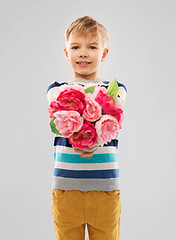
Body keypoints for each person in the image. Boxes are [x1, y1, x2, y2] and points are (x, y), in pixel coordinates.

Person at [47, 16, 127, 240]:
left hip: (105, 189)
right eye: (75, 47)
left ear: (104, 53)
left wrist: (92, 140)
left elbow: (113, 107)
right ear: (66, 53)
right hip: (66, 189)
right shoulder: (56, 90)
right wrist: (87, 134)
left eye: (92, 47)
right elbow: (60, 108)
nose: (83, 53)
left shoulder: (117, 89)